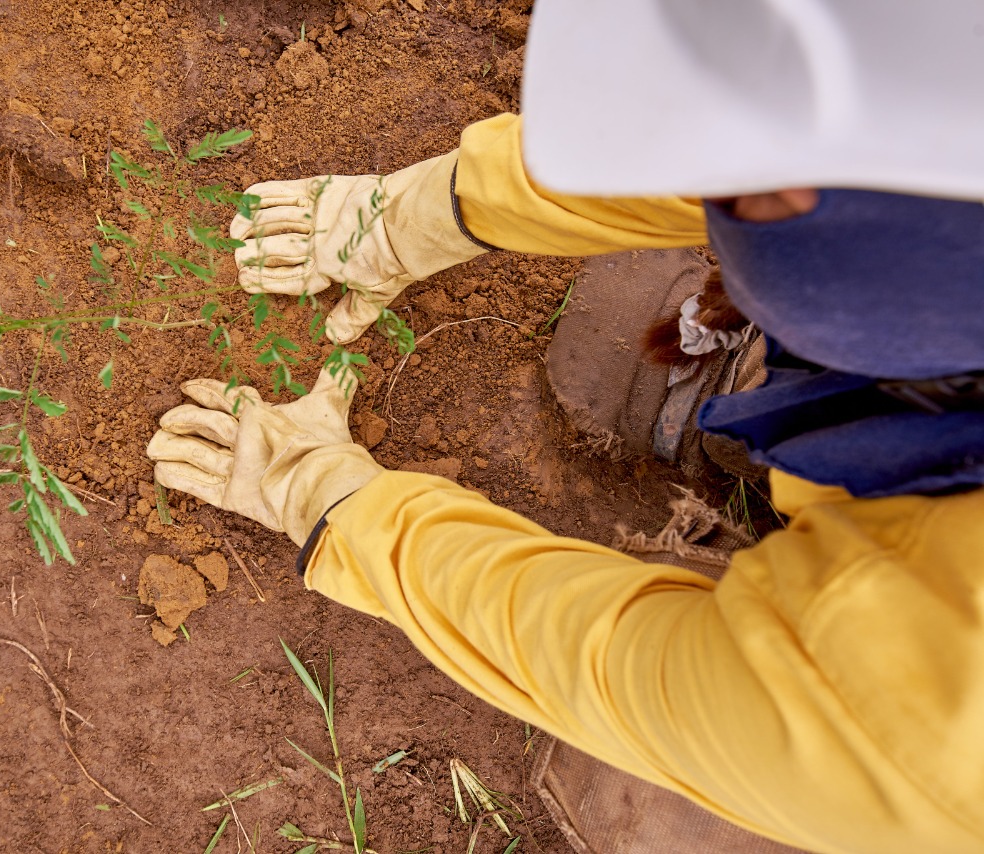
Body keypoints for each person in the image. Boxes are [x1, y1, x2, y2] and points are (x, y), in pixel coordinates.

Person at [147, 2, 984, 852]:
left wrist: (340, 510)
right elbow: (734, 128)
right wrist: (422, 215)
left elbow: (595, 660)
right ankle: (837, 416)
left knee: (694, 797)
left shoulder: (924, 722)